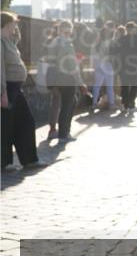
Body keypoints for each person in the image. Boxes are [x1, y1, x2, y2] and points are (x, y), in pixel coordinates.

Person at [2, 12, 43, 170]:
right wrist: (3, 93)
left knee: (25, 122)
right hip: (7, 88)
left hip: (16, 88)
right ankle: (4, 163)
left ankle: (30, 160)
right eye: (13, 23)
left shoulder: (9, 41)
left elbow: (17, 35)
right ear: (6, 24)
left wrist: (14, 21)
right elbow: (0, 70)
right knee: (6, 126)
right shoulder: (0, 43)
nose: (15, 26)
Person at [48, 20, 92, 139]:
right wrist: (81, 83)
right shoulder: (67, 44)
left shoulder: (53, 42)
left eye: (69, 31)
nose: (68, 33)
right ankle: (64, 133)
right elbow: (72, 66)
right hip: (66, 77)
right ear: (61, 31)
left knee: (66, 103)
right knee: (68, 105)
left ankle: (59, 131)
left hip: (56, 77)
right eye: (66, 31)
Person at [117, 22, 137, 117]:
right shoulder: (134, 37)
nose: (133, 30)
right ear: (129, 29)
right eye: (132, 29)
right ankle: (128, 105)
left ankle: (127, 105)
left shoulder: (123, 38)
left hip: (126, 65)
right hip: (131, 65)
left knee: (128, 86)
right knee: (131, 86)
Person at [91, 23, 116, 110]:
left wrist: (94, 65)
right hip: (107, 65)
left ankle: (94, 103)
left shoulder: (95, 43)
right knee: (110, 85)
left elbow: (92, 56)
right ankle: (112, 104)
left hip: (97, 65)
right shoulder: (108, 42)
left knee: (97, 85)